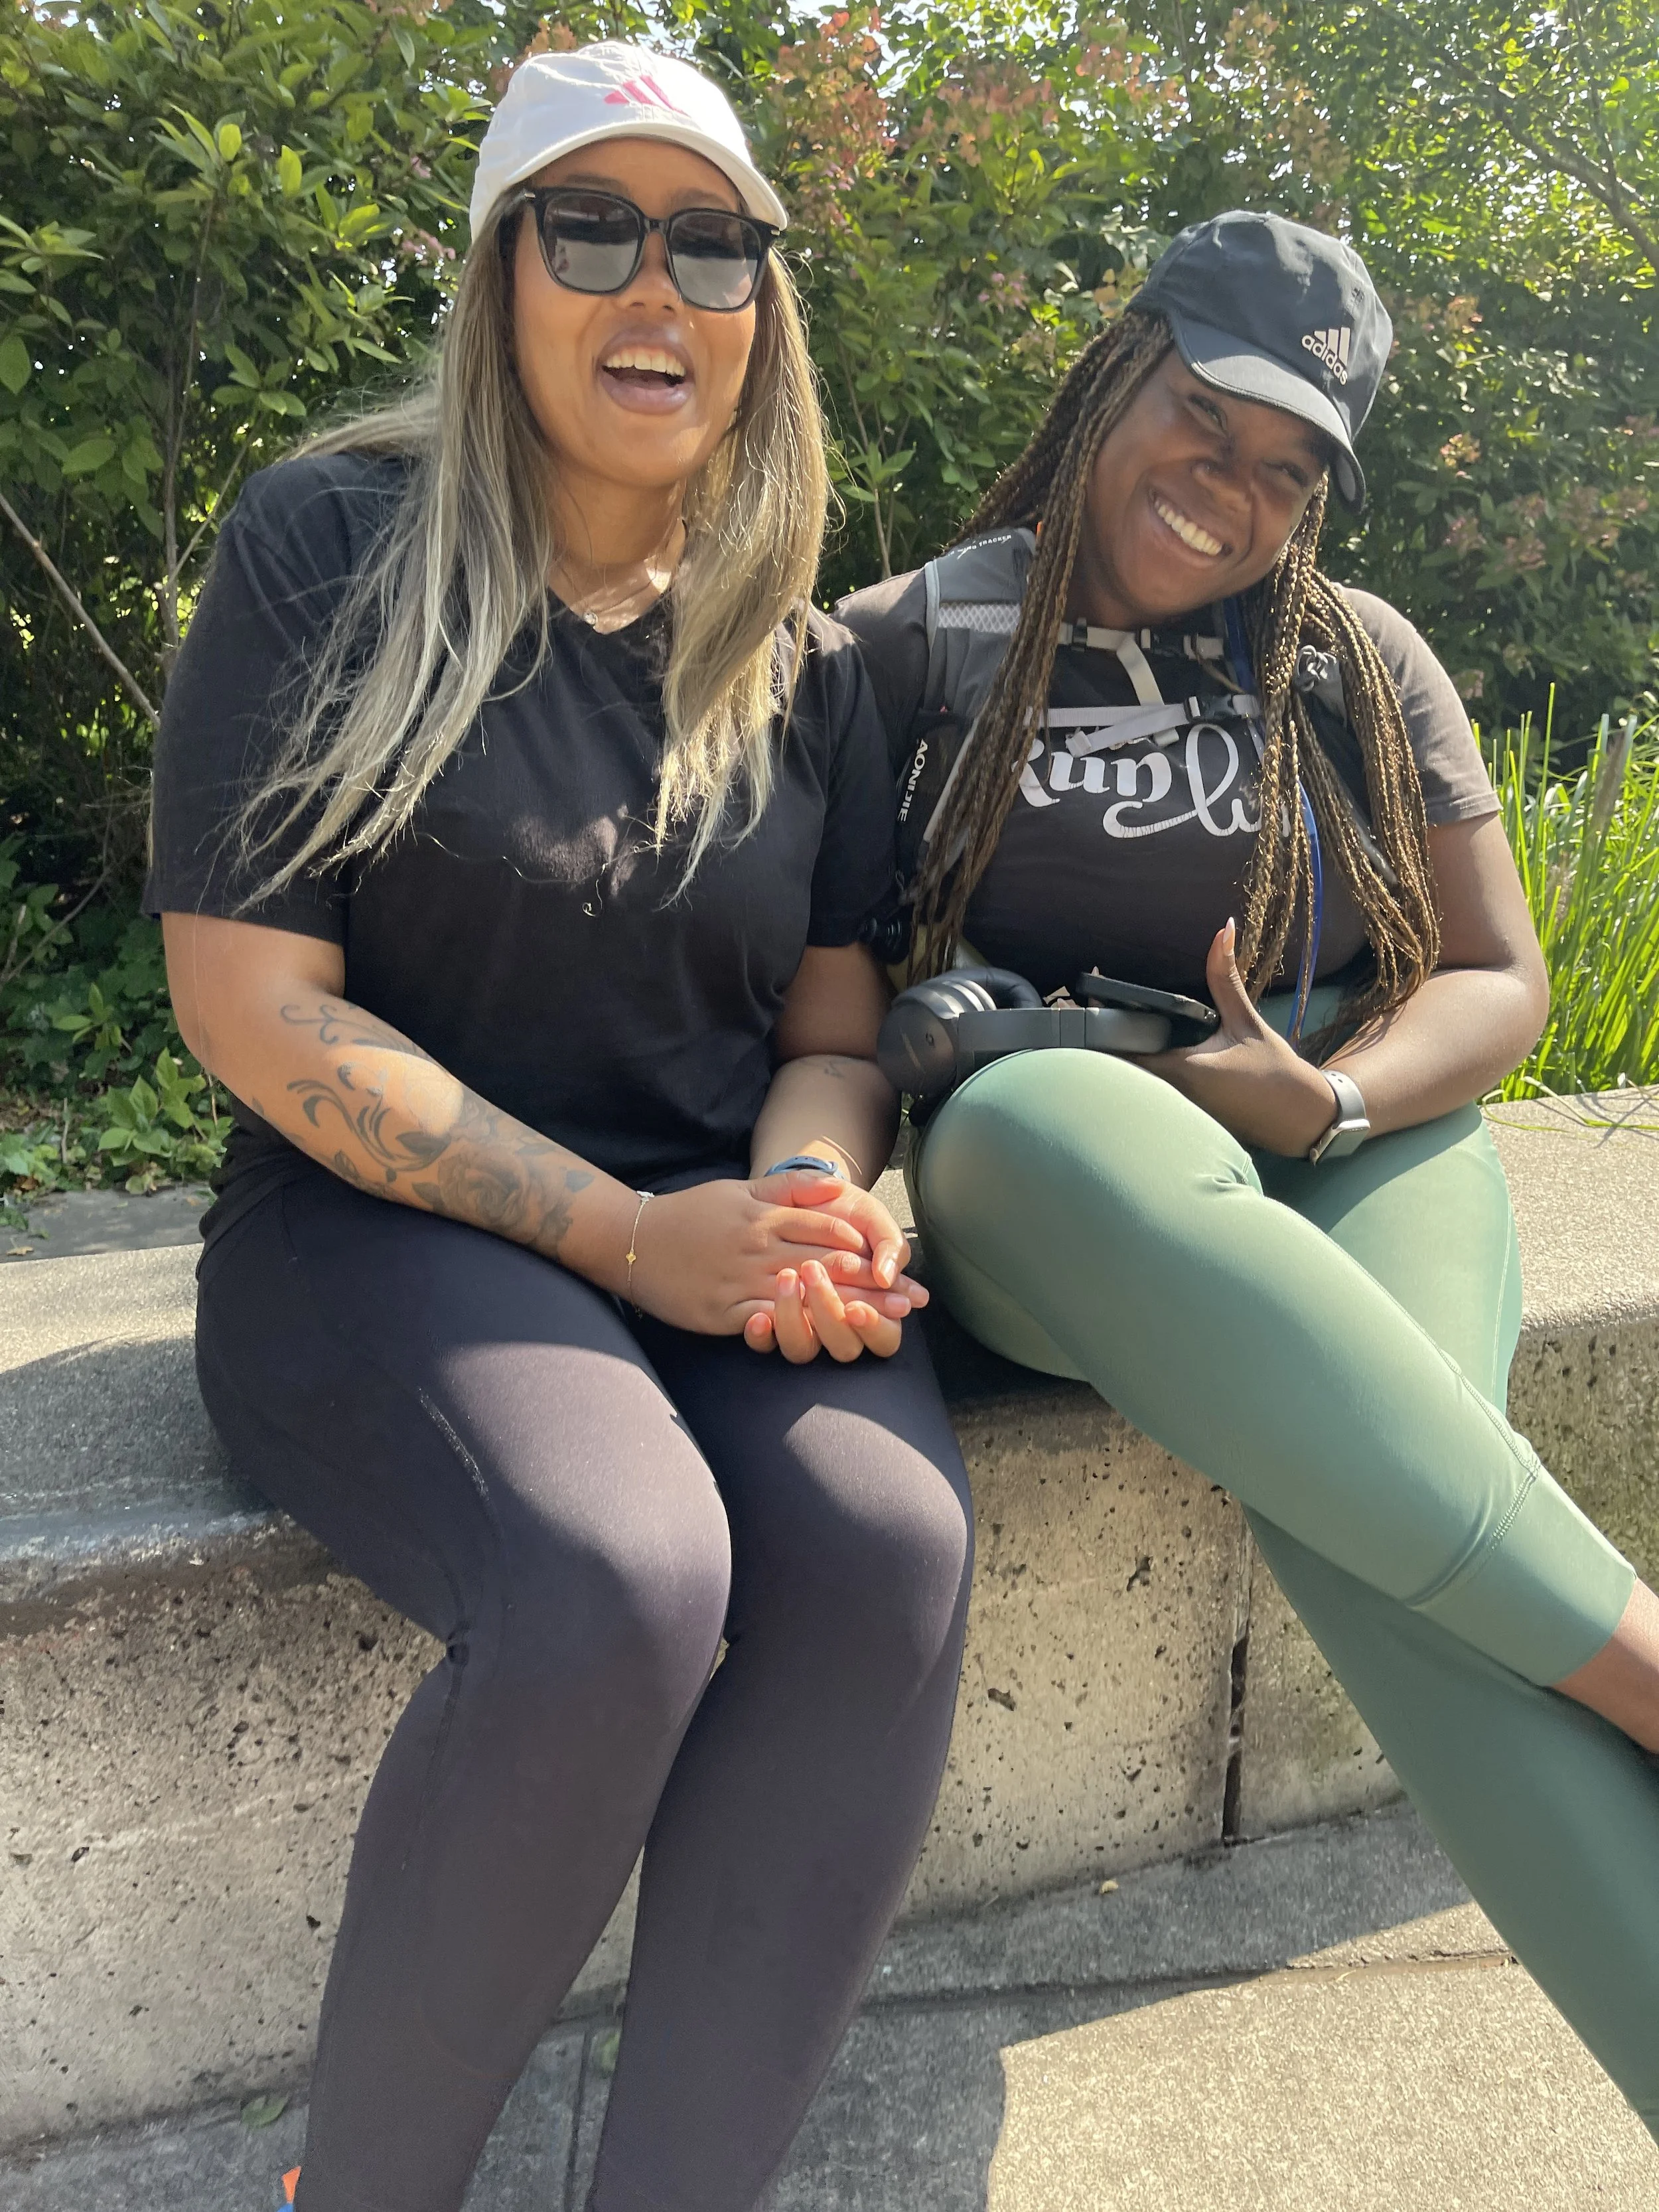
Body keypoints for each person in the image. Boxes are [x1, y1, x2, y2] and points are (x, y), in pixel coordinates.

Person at [147, 43, 974, 2212]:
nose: (654, 290)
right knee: (623, 1574)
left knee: (888, 1549)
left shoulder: (811, 665)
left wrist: (805, 1187)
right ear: (499, 276)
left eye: (712, 244)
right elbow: (252, 1001)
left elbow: (829, 1024)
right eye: (587, 229)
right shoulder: (331, 544)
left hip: (705, 1226)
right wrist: (626, 1237)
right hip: (376, 1232)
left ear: (762, 308)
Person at [838, 210, 1659, 2140]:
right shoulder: (907, 640)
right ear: (1116, 369)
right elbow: (812, 982)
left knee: (1377, 1533)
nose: (1229, 492)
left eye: (1286, 468)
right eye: (1203, 421)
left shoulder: (1358, 657)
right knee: (1059, 1115)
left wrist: (1340, 1101)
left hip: (1342, 1139)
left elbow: (1493, 976)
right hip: (1058, 1177)